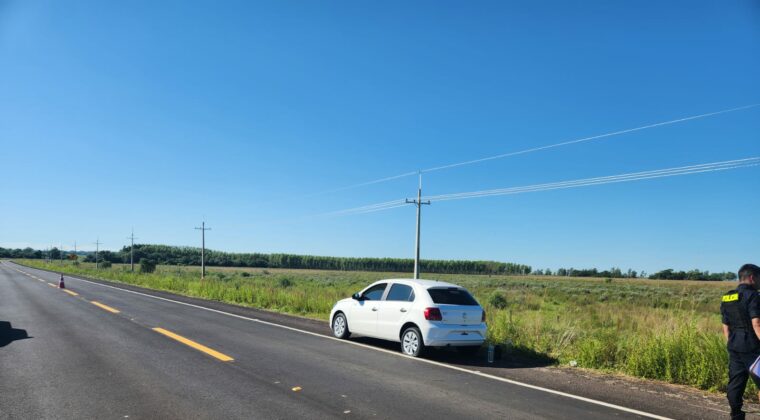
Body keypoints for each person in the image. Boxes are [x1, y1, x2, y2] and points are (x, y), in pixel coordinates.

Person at [722, 263, 760, 419]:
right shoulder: (754, 296)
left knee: (736, 383)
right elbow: (756, 324)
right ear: (752, 278)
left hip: (734, 346)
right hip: (753, 349)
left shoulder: (727, 297)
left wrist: (731, 343)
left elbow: (725, 326)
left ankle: (736, 414)